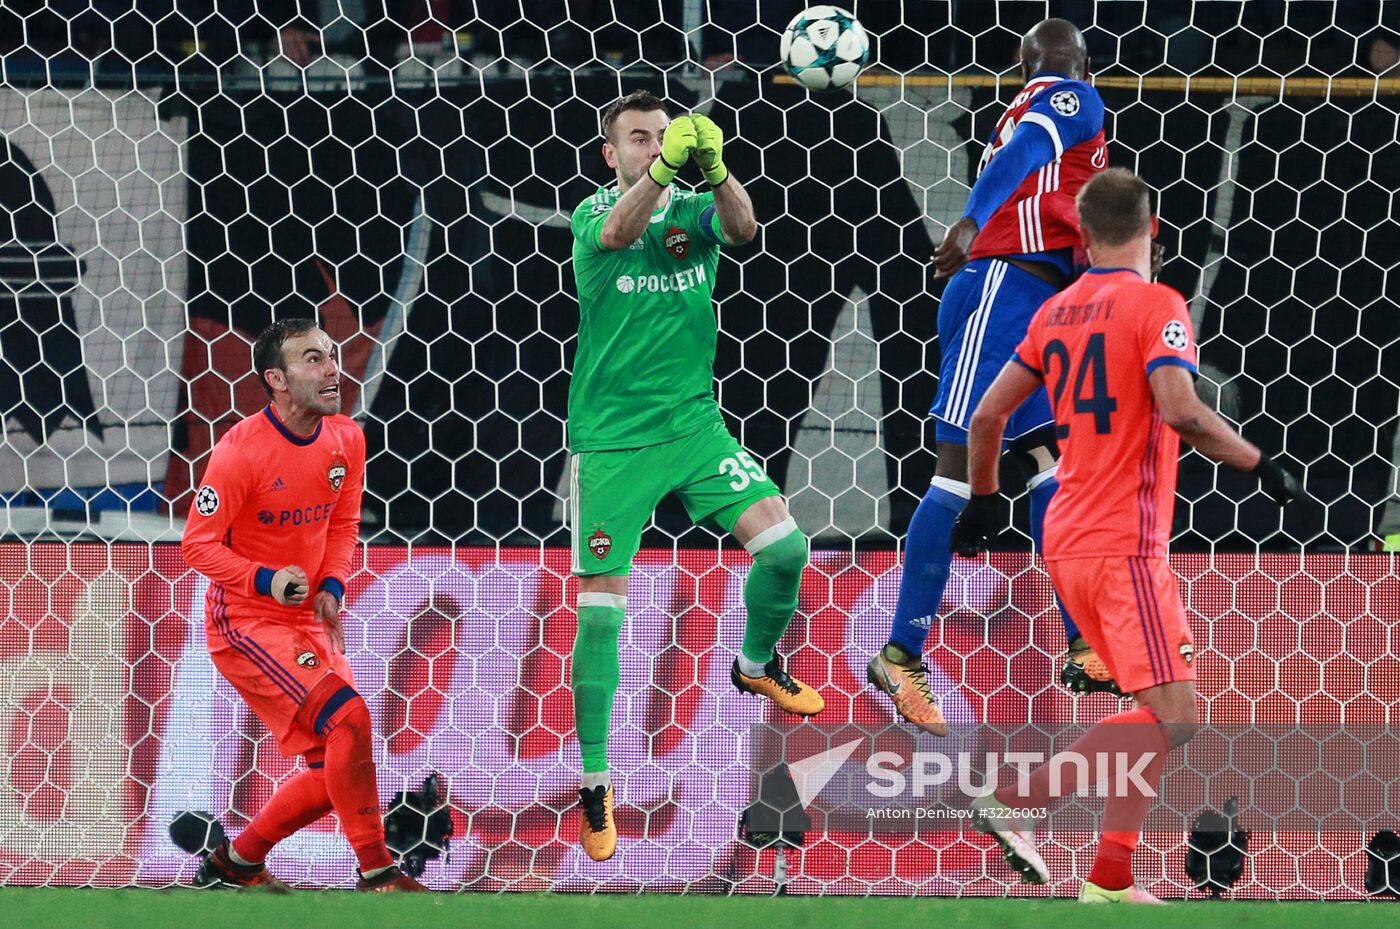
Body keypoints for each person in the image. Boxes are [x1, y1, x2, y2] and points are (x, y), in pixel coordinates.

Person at [952, 168, 1303, 903]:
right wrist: (1261, 465)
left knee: (1147, 712)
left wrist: (985, 501)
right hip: (1123, 543)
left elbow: (986, 419)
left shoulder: (1055, 312)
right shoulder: (1158, 303)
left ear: (1080, 235)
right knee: (1177, 718)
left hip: (1065, 539)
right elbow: (1182, 410)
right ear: (1153, 229)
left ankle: (1110, 877)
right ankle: (1021, 799)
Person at [567, 90, 823, 862]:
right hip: (611, 445)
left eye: (660, 137)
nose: (651, 148)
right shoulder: (591, 217)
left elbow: (745, 229)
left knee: (785, 549)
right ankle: (596, 780)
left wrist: (713, 171)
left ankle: (753, 664)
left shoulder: (691, 212)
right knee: (601, 616)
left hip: (693, 426)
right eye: (637, 139)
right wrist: (669, 165)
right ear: (611, 154)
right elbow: (620, 229)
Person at [868, 18, 1120, 737]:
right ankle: (900, 652)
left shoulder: (1042, 113)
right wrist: (971, 220)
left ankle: (1082, 640)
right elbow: (1025, 151)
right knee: (955, 472)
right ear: (1080, 62)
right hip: (1003, 290)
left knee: (1051, 467)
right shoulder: (1071, 98)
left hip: (1038, 305)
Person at [180, 318, 427, 892]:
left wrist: (332, 586)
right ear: (277, 379)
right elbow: (196, 545)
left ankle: (234, 863)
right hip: (245, 621)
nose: (332, 369)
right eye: (313, 359)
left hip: (306, 622)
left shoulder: (347, 438)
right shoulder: (240, 452)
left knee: (332, 766)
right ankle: (378, 873)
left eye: (332, 355)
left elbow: (343, 524)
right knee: (350, 721)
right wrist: (266, 581)